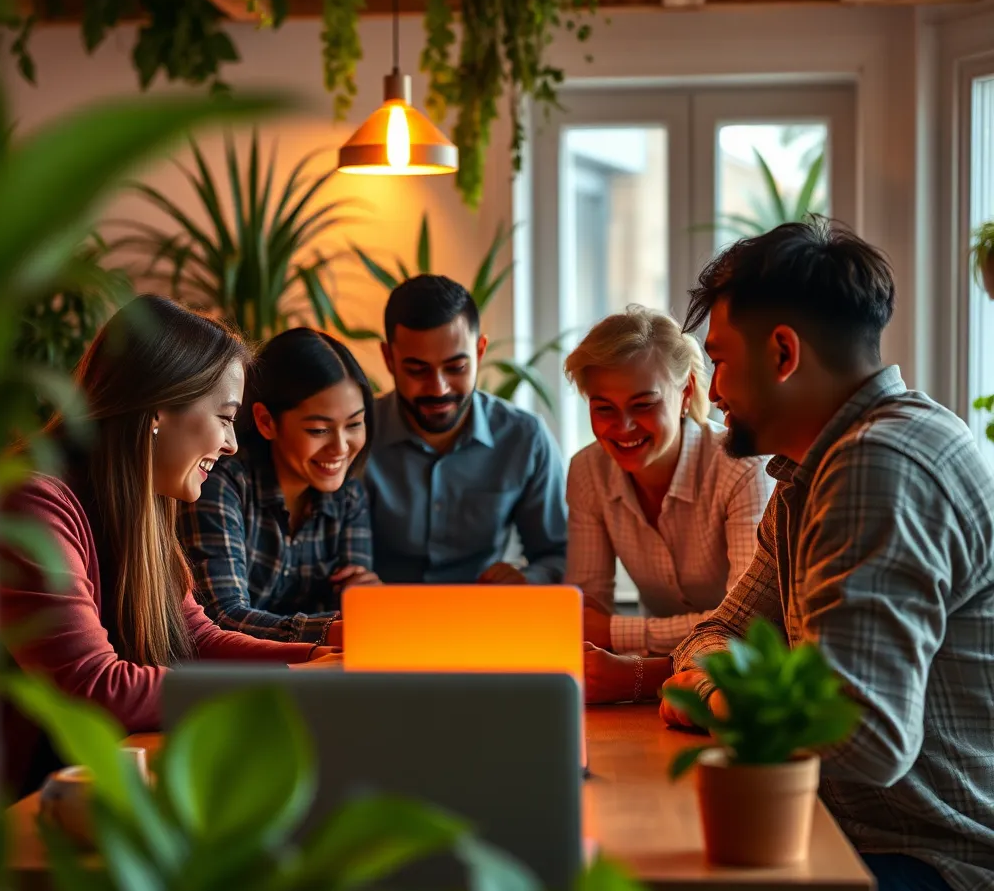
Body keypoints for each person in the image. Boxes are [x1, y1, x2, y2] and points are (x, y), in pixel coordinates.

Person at [656, 218, 994, 891]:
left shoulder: (882, 464)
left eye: (717, 361)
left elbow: (862, 738)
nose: (709, 392)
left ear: (782, 353)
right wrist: (721, 676)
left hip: (953, 864)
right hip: (873, 834)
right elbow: (720, 634)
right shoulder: (813, 472)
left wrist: (710, 698)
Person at [0, 296, 336, 795]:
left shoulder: (141, 503)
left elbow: (194, 639)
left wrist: (319, 657)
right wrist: (294, 681)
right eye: (224, 417)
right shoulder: (32, 503)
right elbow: (94, 689)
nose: (231, 444)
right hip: (12, 814)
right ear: (158, 407)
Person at [564, 306, 772, 704]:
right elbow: (588, 613)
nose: (622, 427)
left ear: (686, 393)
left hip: (739, 683)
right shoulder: (587, 470)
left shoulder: (742, 467)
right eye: (603, 407)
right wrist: (599, 636)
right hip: (658, 681)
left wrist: (616, 633)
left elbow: (746, 628)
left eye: (643, 404)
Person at [363, 274, 568, 584]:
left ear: (480, 351)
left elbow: (559, 554)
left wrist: (525, 580)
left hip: (487, 621)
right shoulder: (354, 437)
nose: (439, 388)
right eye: (417, 370)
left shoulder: (524, 438)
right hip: (374, 620)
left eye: (456, 367)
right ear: (389, 358)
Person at [179, 327, 377, 643]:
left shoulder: (349, 496)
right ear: (266, 422)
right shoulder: (222, 483)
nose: (341, 447)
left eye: (354, 424)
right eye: (319, 430)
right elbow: (223, 616)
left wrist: (365, 604)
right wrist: (334, 627)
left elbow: (356, 615)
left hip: (318, 673)